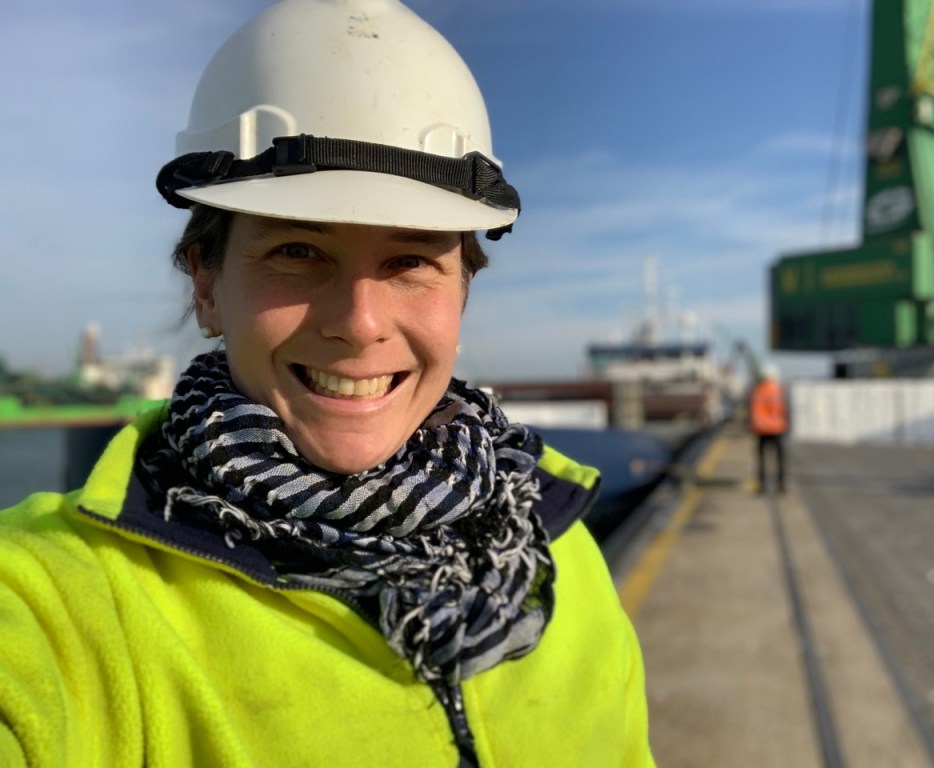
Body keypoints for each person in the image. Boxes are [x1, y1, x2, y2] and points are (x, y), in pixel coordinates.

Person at [0, 2, 654, 766]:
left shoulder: (560, 550)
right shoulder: (65, 598)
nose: (359, 322)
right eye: (298, 251)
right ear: (206, 285)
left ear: (462, 292)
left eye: (411, 261)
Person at [748, 363, 789, 494]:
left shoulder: (757, 390)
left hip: (761, 429)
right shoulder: (779, 390)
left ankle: (762, 484)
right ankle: (781, 484)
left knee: (761, 459)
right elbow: (784, 409)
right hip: (777, 428)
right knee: (780, 458)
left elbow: (752, 409)